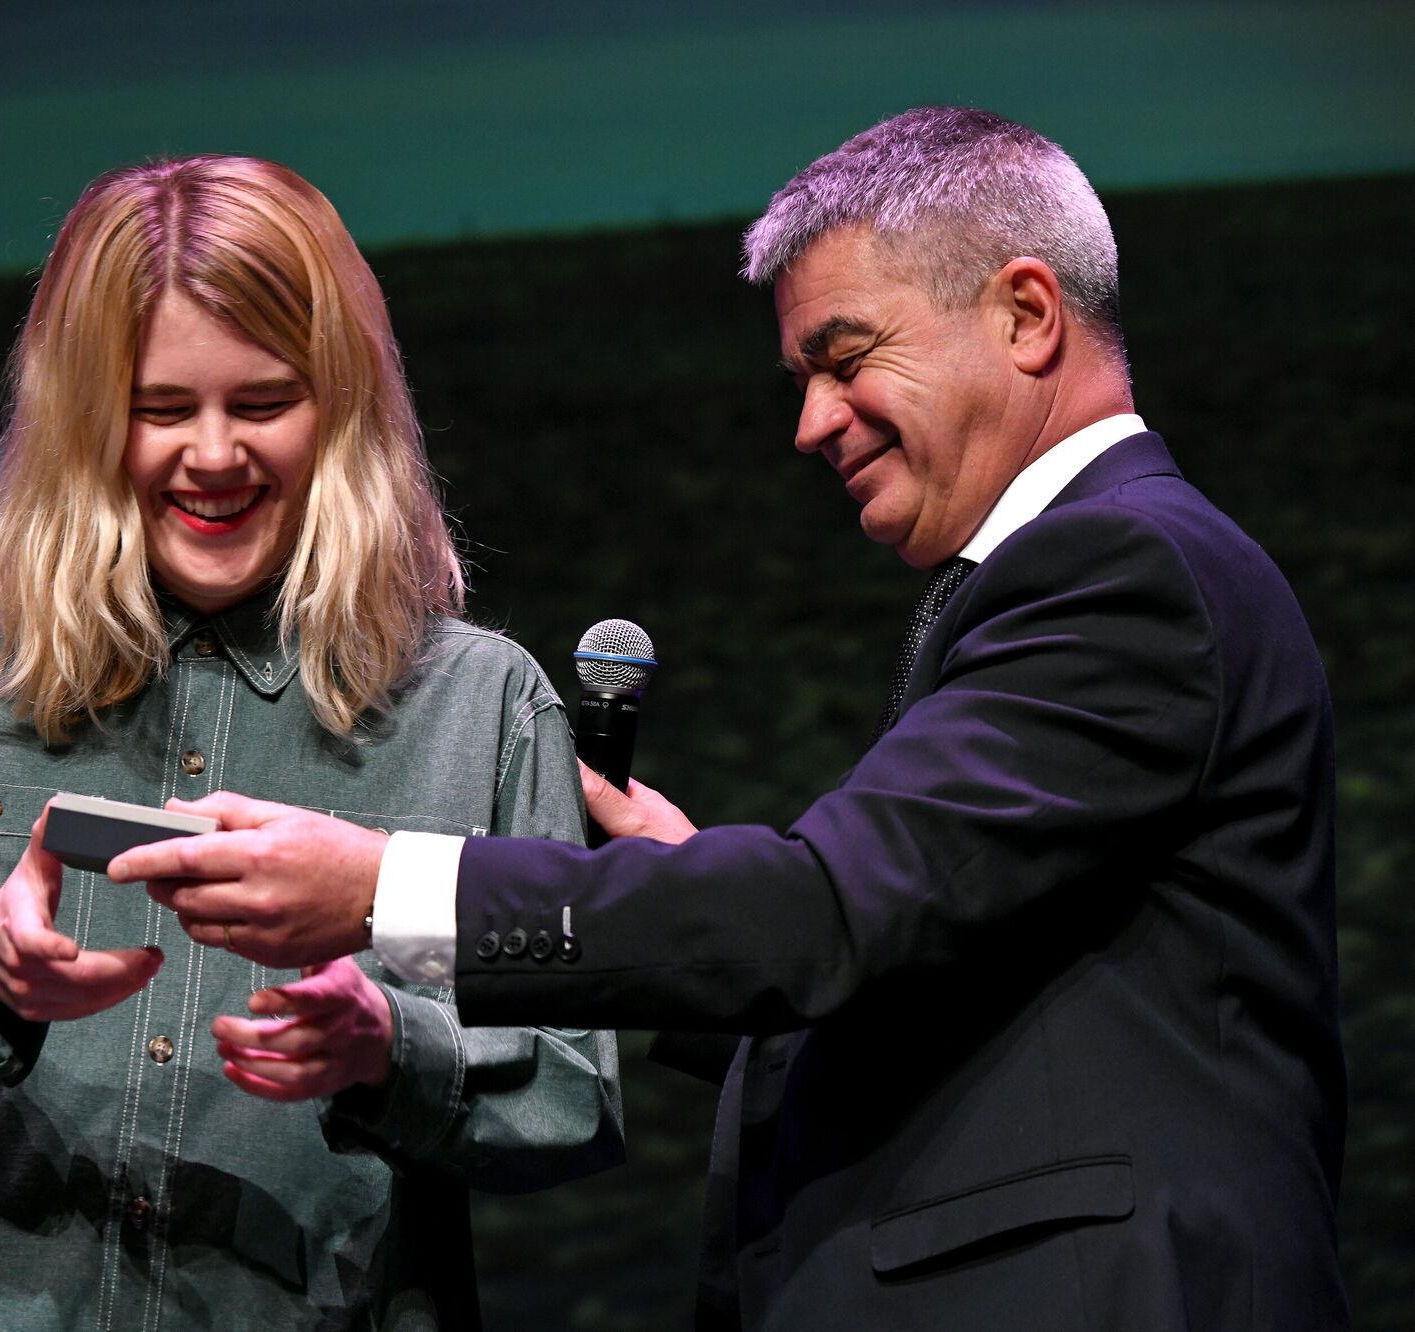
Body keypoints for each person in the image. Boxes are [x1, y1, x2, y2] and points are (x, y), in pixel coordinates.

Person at [113, 110, 1348, 1329]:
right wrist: (684, 883)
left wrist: (385, 889)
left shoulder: (1119, 570)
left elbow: (824, 919)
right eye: (803, 376)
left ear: (1027, 315)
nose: (811, 423)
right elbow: (921, 949)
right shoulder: (1080, 575)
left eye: (846, 357)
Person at [0, 154, 621, 1330]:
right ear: (84, 423)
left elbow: (572, 1101)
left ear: (344, 408)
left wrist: (390, 1050)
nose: (214, 456)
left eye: (263, 403)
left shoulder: (481, 709)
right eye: (162, 411)